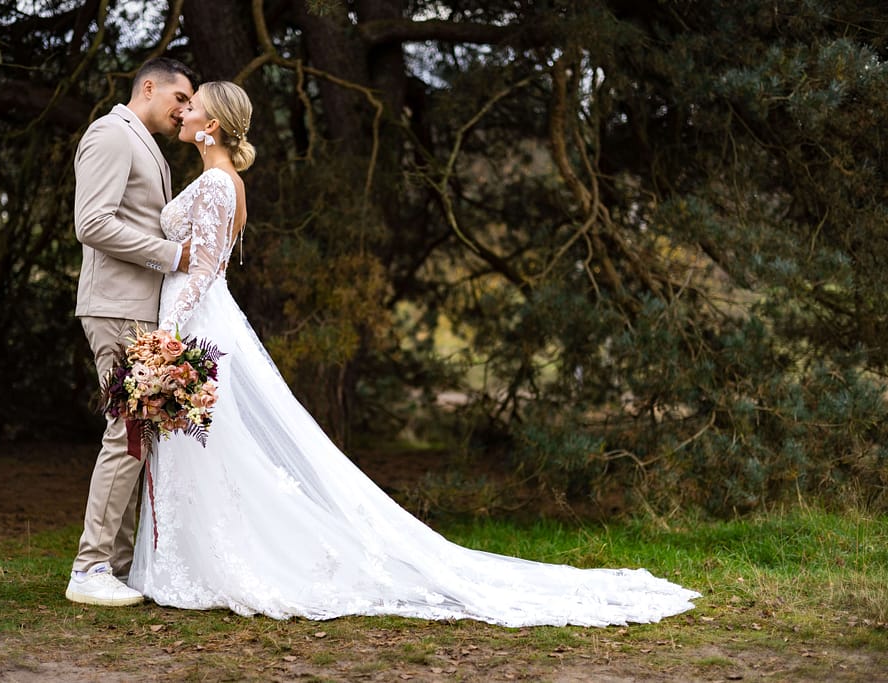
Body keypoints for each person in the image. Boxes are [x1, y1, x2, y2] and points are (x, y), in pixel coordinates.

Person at [128, 81, 701, 626]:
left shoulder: (218, 184)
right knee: (207, 446)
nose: (183, 112)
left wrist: (167, 340)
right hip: (195, 319)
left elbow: (202, 270)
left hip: (194, 321)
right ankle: (191, 558)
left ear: (215, 124)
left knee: (210, 444)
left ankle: (211, 563)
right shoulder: (218, 180)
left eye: (193, 106)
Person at [67, 57, 196, 607]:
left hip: (140, 310)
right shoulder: (111, 134)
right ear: (149, 86)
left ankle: (115, 568)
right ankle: (89, 567)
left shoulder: (146, 144)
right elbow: (91, 222)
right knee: (128, 430)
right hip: (117, 307)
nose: (186, 110)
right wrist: (173, 255)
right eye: (182, 98)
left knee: (138, 436)